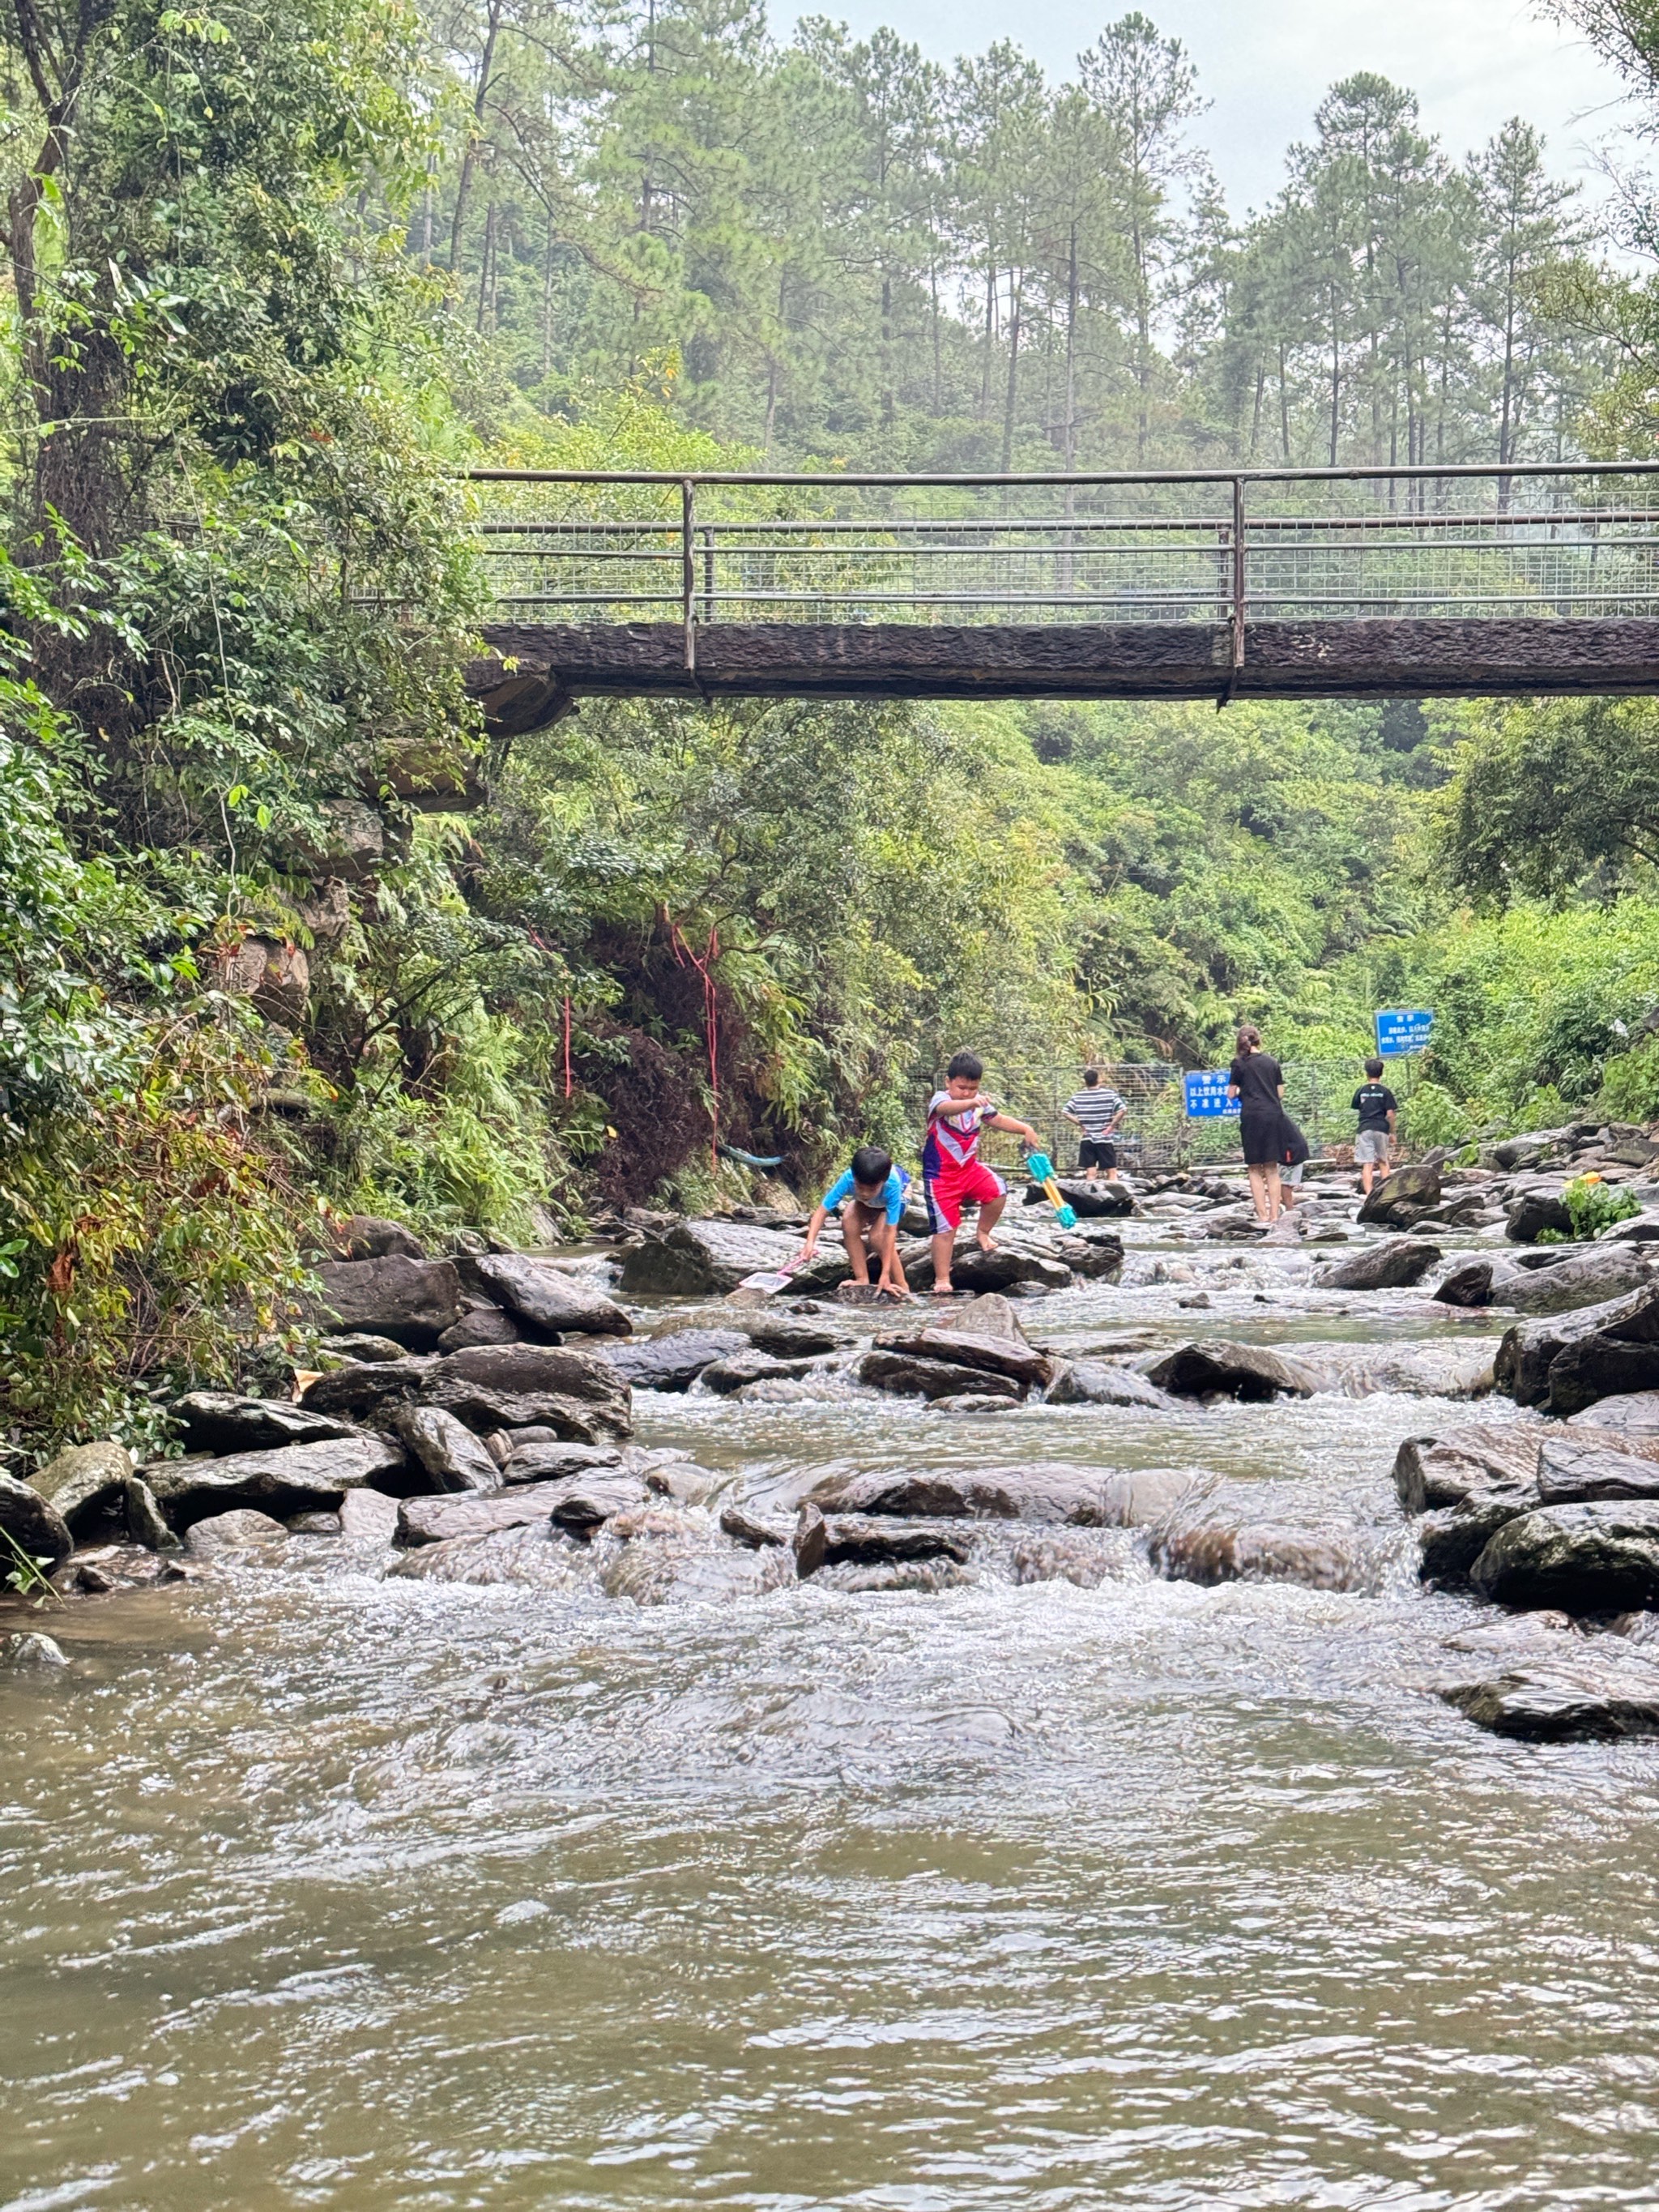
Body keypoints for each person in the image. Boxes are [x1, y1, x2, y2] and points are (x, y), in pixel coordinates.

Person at [922, 1051, 1041, 1296]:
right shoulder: (941, 1100)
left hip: (969, 1170)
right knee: (945, 1230)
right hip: (940, 1177)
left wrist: (1025, 1129)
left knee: (998, 1190)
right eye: (961, 1087)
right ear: (948, 1082)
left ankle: (983, 1232)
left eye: (972, 1088)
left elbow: (997, 1119)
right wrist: (971, 1102)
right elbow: (947, 1108)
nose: (966, 1092)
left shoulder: (979, 1105)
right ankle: (942, 1278)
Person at [800, 1144, 911, 1296]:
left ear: (882, 1182)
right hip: (869, 1203)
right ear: (854, 1177)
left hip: (898, 1198)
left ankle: (902, 1285)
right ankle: (862, 1278)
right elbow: (821, 1211)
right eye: (859, 1187)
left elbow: (890, 1233)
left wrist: (884, 1275)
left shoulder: (892, 1184)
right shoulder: (848, 1178)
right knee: (849, 1221)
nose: (864, 1193)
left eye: (871, 1189)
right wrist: (810, 1242)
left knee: (877, 1236)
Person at [1226, 1023, 1286, 1223]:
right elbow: (1280, 1093)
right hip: (1272, 1115)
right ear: (1258, 1040)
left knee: (1254, 1167)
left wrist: (1246, 1091)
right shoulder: (1272, 1062)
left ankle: (1262, 1216)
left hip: (1251, 1116)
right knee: (1271, 1167)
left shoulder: (1239, 1063)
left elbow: (1231, 1094)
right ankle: (1275, 1215)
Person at [1062, 1065, 1127, 1181]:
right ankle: (1116, 1196)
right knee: (1111, 1171)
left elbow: (1065, 1112)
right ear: (1099, 1080)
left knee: (1090, 1172)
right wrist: (1111, 1126)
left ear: (1085, 1081)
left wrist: (1080, 1124)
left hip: (1087, 1138)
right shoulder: (1109, 1095)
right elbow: (1123, 1110)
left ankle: (1090, 1196)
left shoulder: (1078, 1096)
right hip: (1104, 1138)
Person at [1351, 1057, 1399, 1195]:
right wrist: (1392, 1133)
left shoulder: (1361, 1091)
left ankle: (1368, 1195)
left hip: (1365, 1129)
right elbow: (1390, 1114)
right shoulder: (1385, 1091)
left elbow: (1357, 1107)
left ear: (1367, 1074)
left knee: (1368, 1164)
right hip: (1381, 1129)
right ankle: (1386, 1193)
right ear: (1381, 1074)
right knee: (1383, 1161)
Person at [1279, 1112, 1311, 1209]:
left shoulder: (1274, 1115)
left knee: (1285, 1183)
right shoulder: (1277, 1113)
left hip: (1290, 1152)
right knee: (1284, 1182)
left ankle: (1289, 1210)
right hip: (1292, 1149)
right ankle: (1287, 1206)